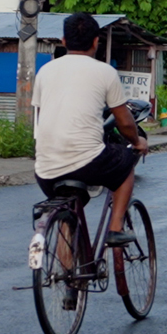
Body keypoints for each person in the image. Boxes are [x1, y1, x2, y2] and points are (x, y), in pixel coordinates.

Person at [34, 13, 148, 247]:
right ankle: (115, 229)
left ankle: (66, 267)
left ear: (63, 41)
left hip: (45, 168)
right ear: (96, 41)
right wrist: (137, 142)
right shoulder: (105, 72)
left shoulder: (45, 71)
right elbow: (125, 122)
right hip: (87, 162)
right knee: (126, 162)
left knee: (68, 213)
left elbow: (42, 115)